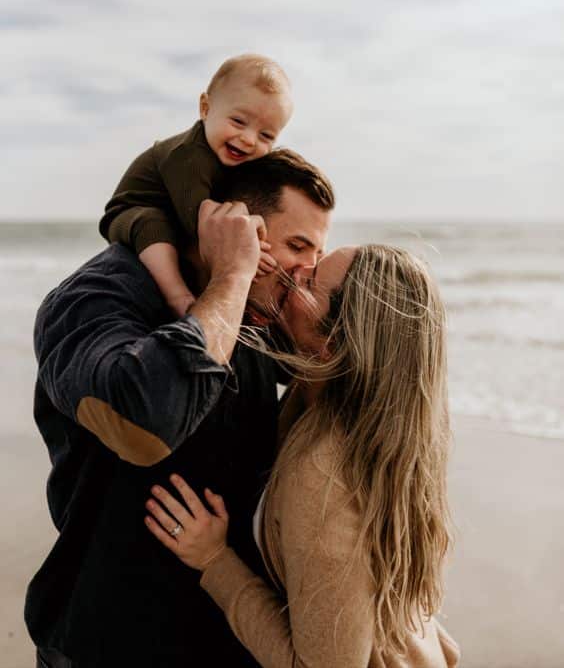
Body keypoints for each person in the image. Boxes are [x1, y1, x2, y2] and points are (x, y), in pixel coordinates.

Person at [25, 149, 334, 668]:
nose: (302, 271)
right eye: (296, 245)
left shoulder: (257, 306)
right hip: (110, 634)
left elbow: (339, 372)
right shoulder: (97, 296)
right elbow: (146, 418)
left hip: (225, 627)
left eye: (315, 258)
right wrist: (232, 275)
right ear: (235, 226)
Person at [144, 245, 461, 668]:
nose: (297, 269)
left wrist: (215, 561)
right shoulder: (378, 426)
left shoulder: (324, 474)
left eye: (310, 281)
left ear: (332, 343)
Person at [99, 53, 294, 316]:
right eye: (238, 122)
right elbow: (203, 222)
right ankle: (178, 297)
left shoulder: (236, 158)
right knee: (152, 223)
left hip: (178, 215)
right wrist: (245, 251)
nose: (248, 139)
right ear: (205, 108)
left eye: (266, 135)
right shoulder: (188, 156)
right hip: (130, 212)